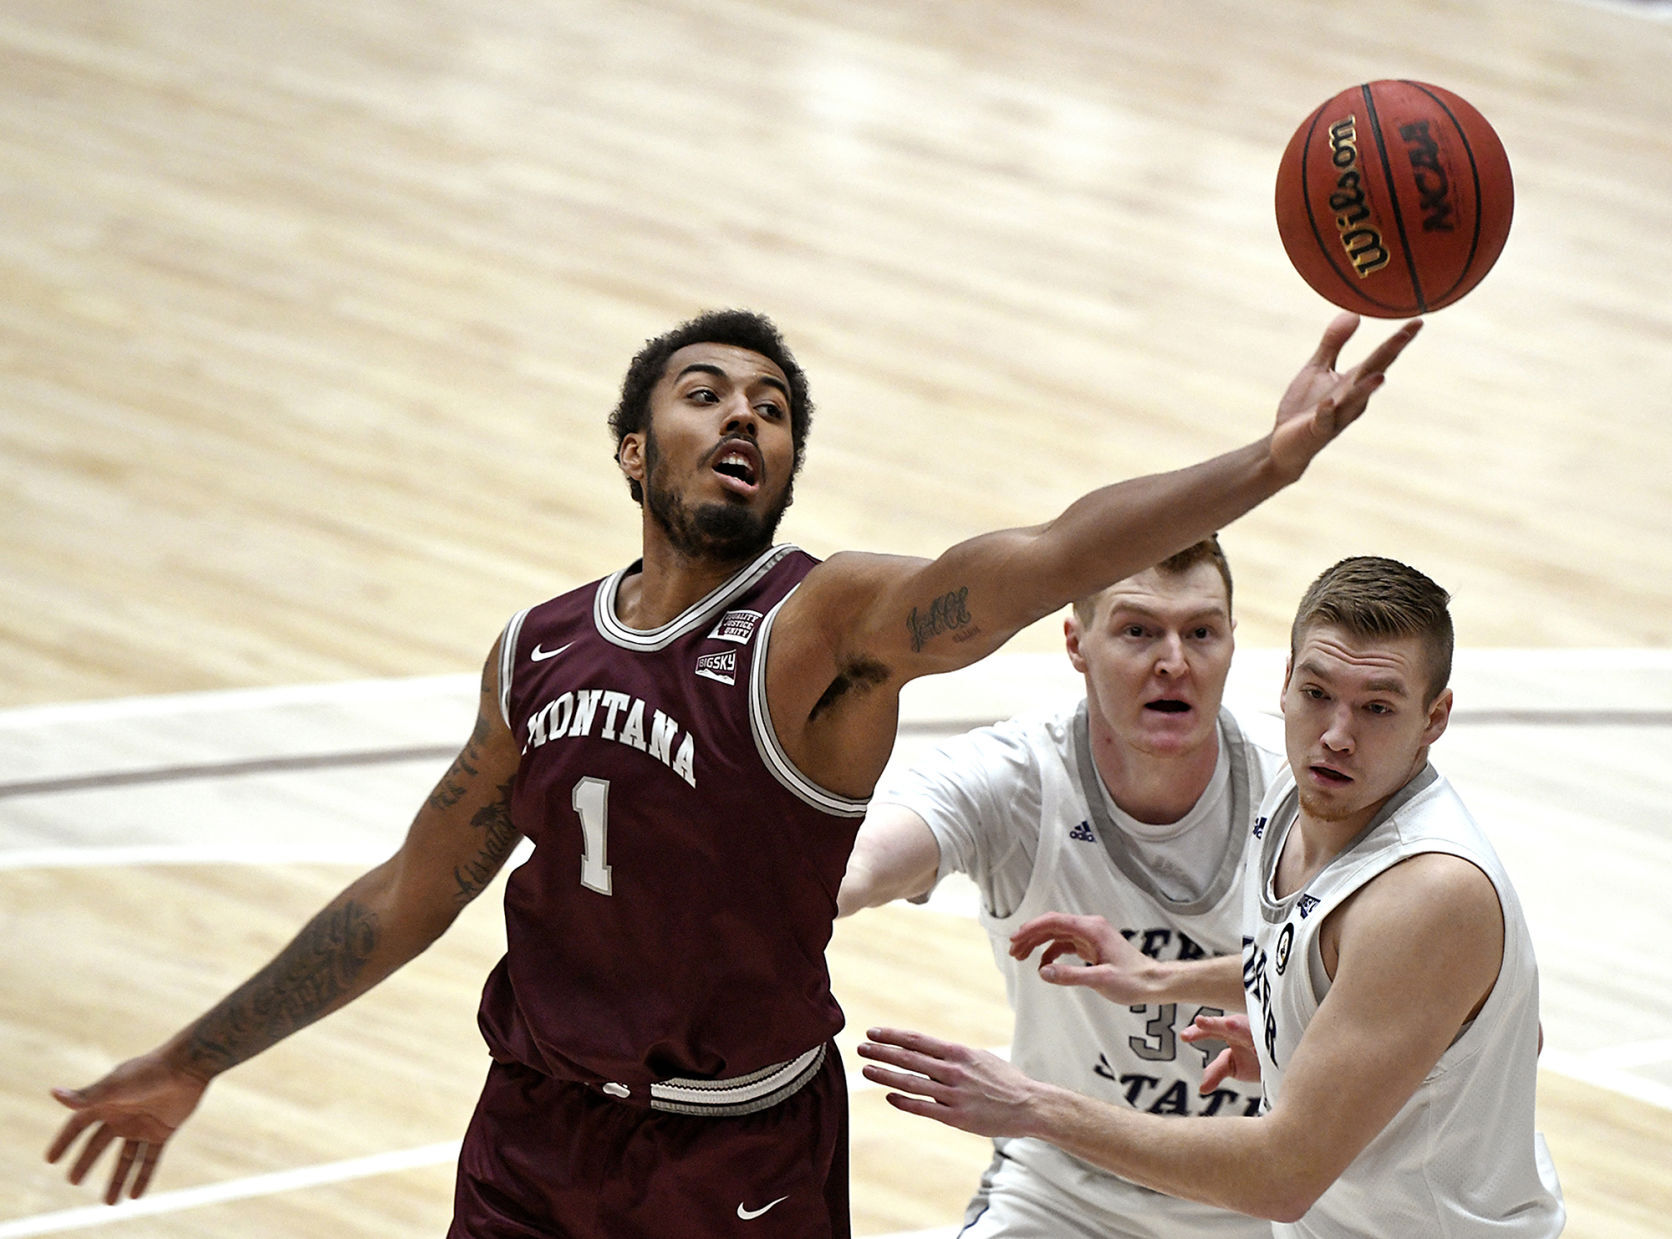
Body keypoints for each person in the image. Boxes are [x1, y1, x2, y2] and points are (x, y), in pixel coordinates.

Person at [44, 309, 1420, 1238]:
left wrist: (1269, 461)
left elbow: (1051, 554)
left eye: (771, 407)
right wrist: (193, 1056)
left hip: (735, 1157)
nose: (743, 417)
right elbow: (414, 887)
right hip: (529, 1135)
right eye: (705, 394)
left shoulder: (827, 629)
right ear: (636, 450)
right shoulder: (535, 650)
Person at [859, 556, 1565, 1238]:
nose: (1338, 735)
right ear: (1287, 681)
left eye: (1377, 707)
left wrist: (1030, 1105)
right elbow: (1349, 977)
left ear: (1435, 719)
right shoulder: (1298, 792)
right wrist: (1162, 980)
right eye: (1318, 694)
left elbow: (1282, 1175)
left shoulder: (1430, 889)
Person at [838, 534, 1284, 1238]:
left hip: (1265, 1195)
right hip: (1064, 1195)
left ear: (1233, 642)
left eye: (1201, 631)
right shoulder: (1016, 777)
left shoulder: (1299, 790)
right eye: (1138, 630)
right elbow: (858, 864)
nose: (1174, 661)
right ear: (1076, 642)